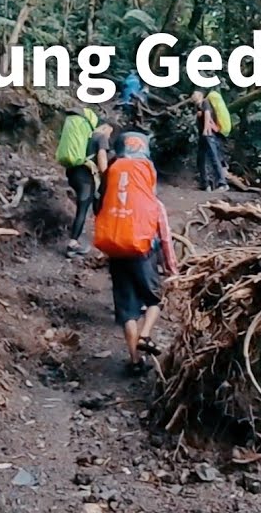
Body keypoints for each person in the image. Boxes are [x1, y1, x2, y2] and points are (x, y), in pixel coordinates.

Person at [93, 129, 178, 375]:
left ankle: (134, 361)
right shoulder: (153, 203)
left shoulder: (110, 189)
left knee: (127, 310)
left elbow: (100, 194)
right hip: (142, 254)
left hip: (116, 250)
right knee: (155, 299)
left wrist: (100, 143)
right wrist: (172, 269)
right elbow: (165, 238)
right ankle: (146, 335)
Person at [57, 108, 114, 258]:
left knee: (95, 206)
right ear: (105, 128)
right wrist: (109, 177)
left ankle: (100, 241)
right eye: (110, 132)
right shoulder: (101, 137)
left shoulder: (85, 137)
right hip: (86, 177)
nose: (109, 136)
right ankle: (73, 244)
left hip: (73, 173)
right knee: (83, 209)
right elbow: (102, 163)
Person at [191, 91, 228, 191]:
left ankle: (222, 183)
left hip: (208, 135)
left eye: (195, 95)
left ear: (200, 96)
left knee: (214, 158)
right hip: (204, 136)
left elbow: (207, 115)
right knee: (201, 160)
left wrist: (206, 130)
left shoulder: (205, 103)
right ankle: (205, 183)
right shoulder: (198, 106)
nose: (193, 96)